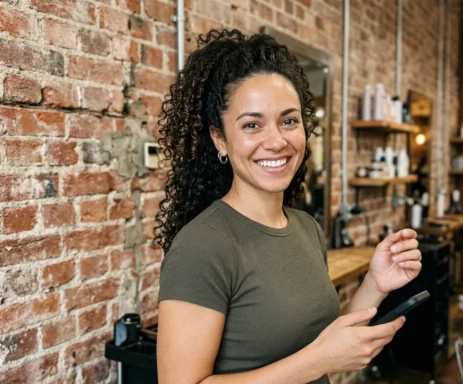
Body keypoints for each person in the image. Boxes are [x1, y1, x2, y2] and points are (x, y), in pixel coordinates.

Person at [156, 29, 422, 383]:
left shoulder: (305, 227)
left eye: (289, 120)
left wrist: (375, 282)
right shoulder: (202, 246)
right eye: (252, 124)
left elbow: (322, 344)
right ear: (219, 139)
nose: (277, 141)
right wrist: (318, 359)